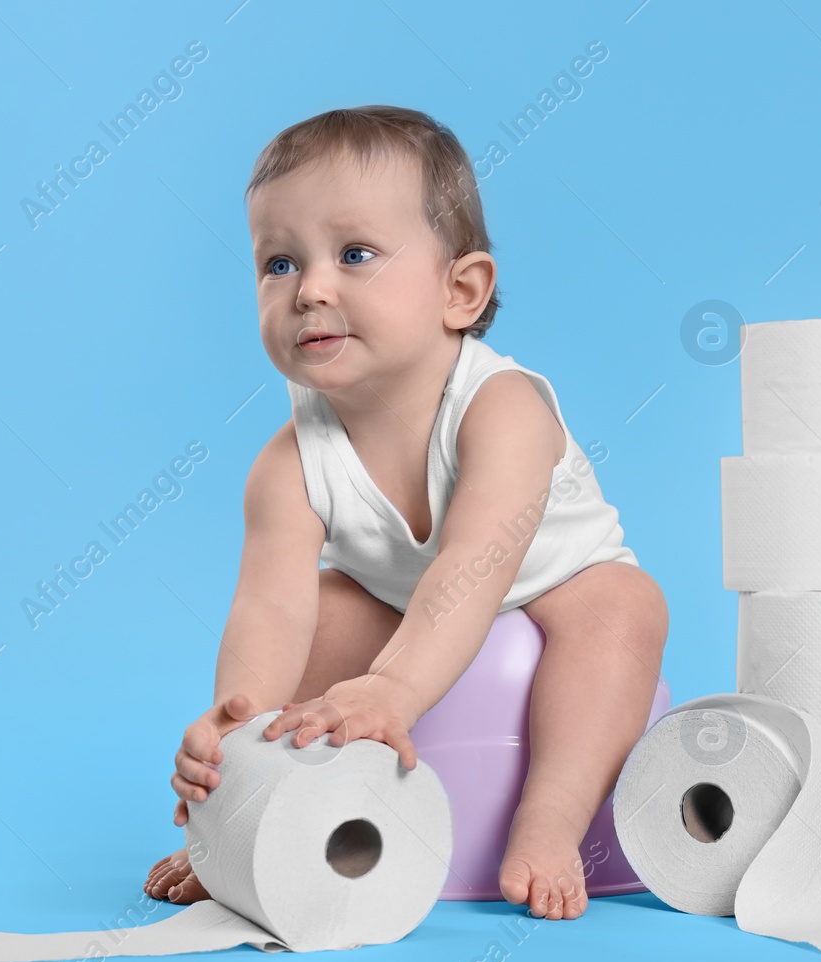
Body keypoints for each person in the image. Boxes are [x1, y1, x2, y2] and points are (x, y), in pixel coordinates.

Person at [144, 105, 668, 920]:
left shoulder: (504, 410)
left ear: (460, 290)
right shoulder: (287, 463)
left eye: (355, 254)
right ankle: (263, 819)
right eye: (278, 263)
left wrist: (393, 688)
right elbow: (270, 607)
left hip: (545, 580)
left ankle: (551, 819)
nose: (310, 287)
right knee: (322, 610)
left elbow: (472, 570)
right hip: (399, 604)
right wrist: (232, 742)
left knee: (625, 608)